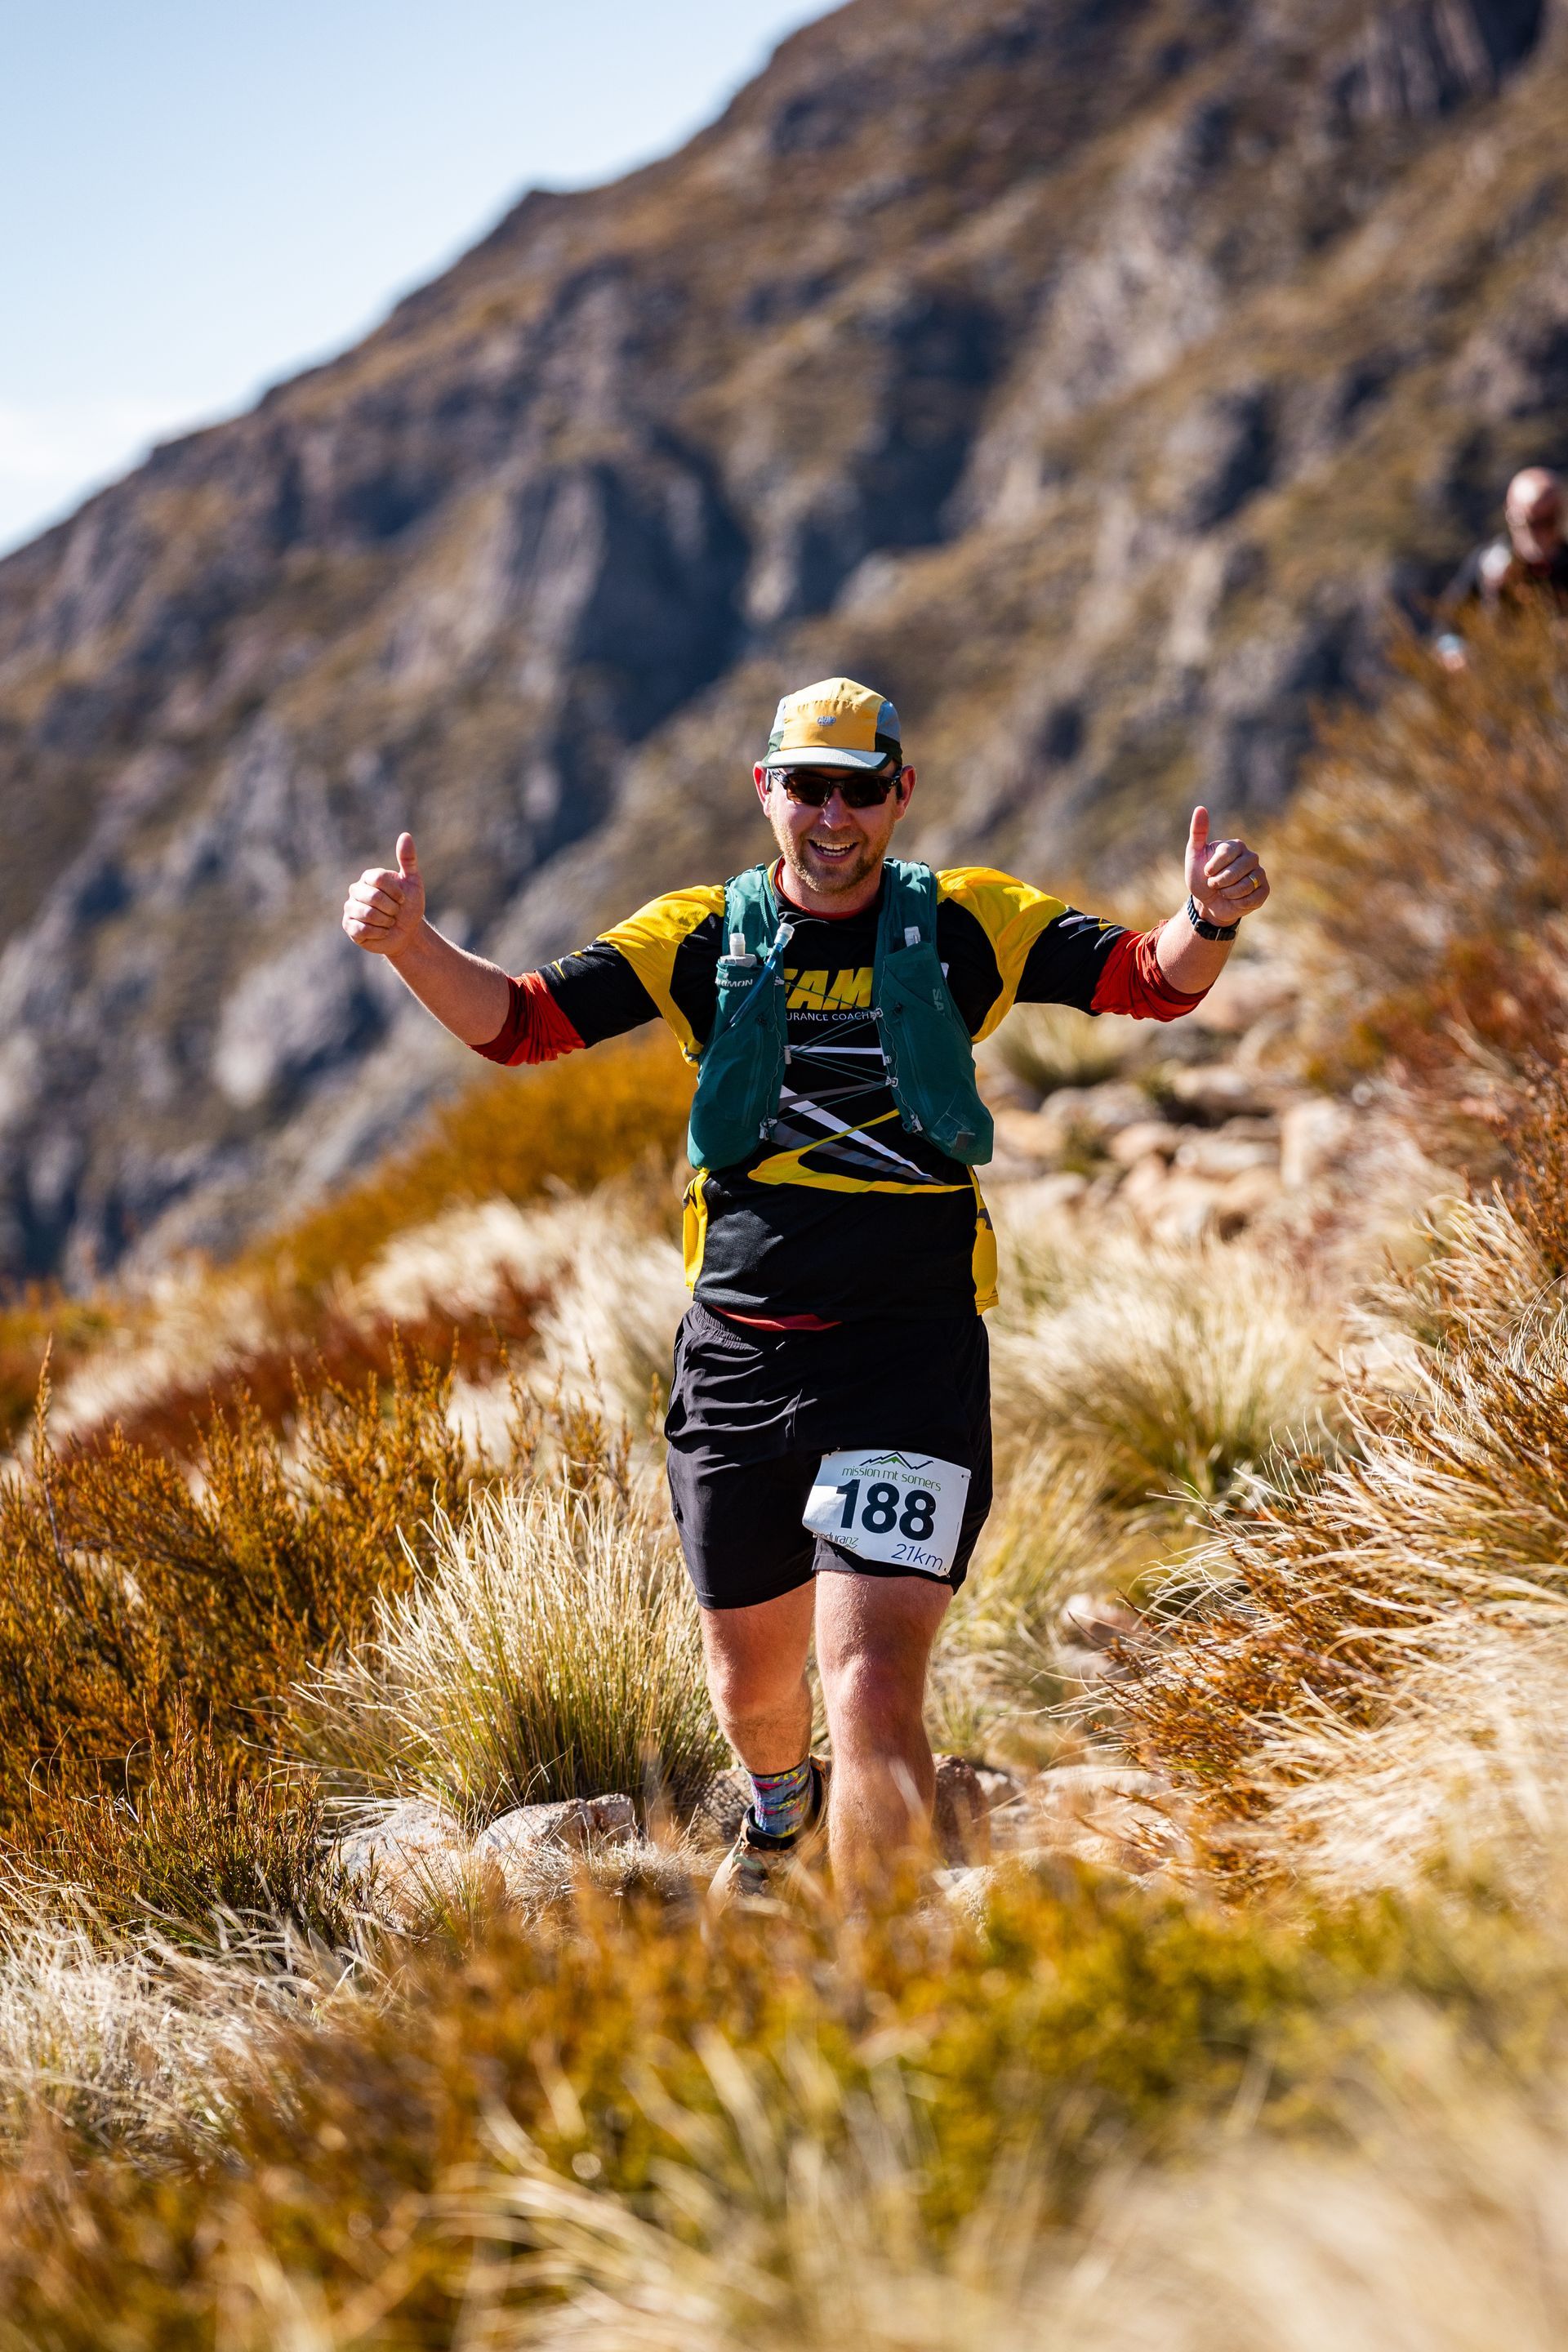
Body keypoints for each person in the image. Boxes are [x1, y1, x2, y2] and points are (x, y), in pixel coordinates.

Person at [341, 676, 1271, 1903]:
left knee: (871, 1681)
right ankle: (780, 1804)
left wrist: (1205, 920)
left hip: (910, 1358)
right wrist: (412, 944)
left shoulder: (967, 922)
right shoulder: (699, 934)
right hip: (740, 1359)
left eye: (861, 789)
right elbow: (523, 1026)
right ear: (765, 790)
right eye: (808, 788)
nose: (834, 816)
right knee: (753, 1692)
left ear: (902, 793)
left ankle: (873, 1975)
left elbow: (1148, 981)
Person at [1432, 466, 1568, 670]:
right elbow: (1447, 626)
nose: (1538, 533)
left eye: (1547, 521)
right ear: (1511, 515)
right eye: (1530, 522)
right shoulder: (1488, 563)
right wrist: (1455, 652)